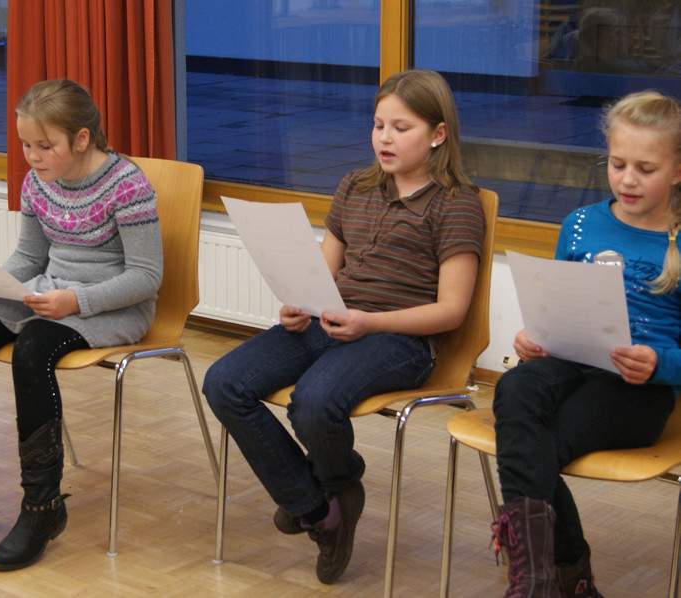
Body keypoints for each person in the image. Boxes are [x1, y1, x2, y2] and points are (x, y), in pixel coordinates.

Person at [202, 69, 486, 584]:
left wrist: (369, 322)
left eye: (401, 128)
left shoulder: (456, 202)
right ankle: (319, 505)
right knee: (224, 382)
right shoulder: (355, 185)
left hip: (401, 339)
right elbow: (323, 272)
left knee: (312, 401)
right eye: (378, 125)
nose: (384, 138)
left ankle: (334, 487)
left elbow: (451, 311)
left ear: (438, 134)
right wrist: (298, 303)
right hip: (333, 320)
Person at [0, 79, 163, 571]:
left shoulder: (128, 185)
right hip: (52, 293)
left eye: (44, 145)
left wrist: (77, 300)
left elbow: (146, 276)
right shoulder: (38, 181)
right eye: (25, 145)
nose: (32, 156)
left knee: (33, 349)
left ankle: (42, 506)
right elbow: (30, 257)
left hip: (114, 306)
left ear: (82, 138)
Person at [491, 90, 681, 598]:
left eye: (645, 168)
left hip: (637, 386)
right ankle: (544, 581)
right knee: (514, 388)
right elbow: (556, 306)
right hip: (570, 363)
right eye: (618, 164)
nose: (628, 179)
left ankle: (557, 578)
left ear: (677, 171)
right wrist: (534, 336)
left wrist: (660, 363)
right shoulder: (581, 224)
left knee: (533, 449)